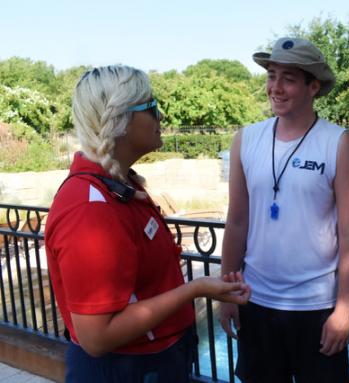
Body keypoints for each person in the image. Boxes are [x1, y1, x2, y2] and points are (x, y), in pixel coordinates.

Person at [44, 65, 251, 383]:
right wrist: (194, 290)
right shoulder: (89, 208)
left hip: (153, 363)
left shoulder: (118, 186)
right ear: (120, 120)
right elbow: (96, 338)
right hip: (125, 371)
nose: (161, 117)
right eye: (152, 107)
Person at [219, 37, 349, 382]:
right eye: (271, 75)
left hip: (316, 307)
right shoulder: (246, 140)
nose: (275, 88)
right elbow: (237, 221)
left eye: (288, 78)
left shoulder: (338, 143)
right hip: (256, 302)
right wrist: (226, 292)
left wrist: (343, 309)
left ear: (313, 87)